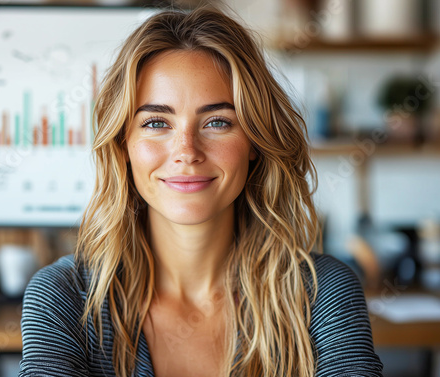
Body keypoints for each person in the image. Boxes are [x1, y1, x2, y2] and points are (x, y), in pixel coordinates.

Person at [19, 5, 384, 377]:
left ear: (255, 140)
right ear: (123, 143)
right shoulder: (63, 296)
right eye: (157, 122)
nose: (186, 152)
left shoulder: (323, 294)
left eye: (217, 122)